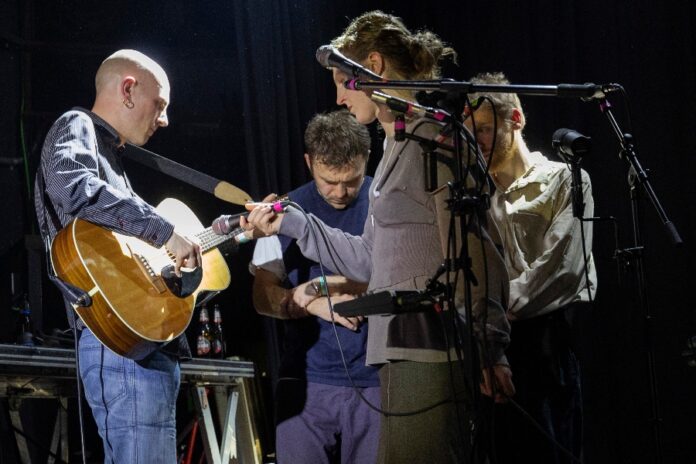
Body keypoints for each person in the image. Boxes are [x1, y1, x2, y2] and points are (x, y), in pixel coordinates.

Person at [242, 11, 515, 464]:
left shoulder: (432, 142)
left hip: (431, 350)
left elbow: (477, 249)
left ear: (373, 65)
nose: (338, 98)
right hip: (396, 350)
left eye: (341, 83)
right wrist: (294, 222)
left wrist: (492, 347)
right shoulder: (394, 149)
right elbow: (370, 260)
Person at [34, 49, 201, 463]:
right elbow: (71, 186)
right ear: (128, 89)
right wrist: (165, 231)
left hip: (139, 346)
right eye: (159, 104)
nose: (164, 119)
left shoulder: (115, 164)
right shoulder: (76, 125)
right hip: (121, 348)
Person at [463, 72, 597, 463]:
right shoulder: (473, 194)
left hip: (545, 342)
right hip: (490, 343)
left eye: (484, 129)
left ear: (516, 120)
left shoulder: (564, 179)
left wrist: (497, 310)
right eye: (470, 132)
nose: (476, 141)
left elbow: (563, 267)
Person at [249, 109, 380, 463]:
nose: (340, 192)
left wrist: (327, 286)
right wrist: (310, 301)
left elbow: (394, 278)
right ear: (309, 163)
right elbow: (262, 296)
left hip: (376, 382)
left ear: (367, 159)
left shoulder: (385, 203)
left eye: (351, 180)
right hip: (306, 382)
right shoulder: (282, 212)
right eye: (329, 181)